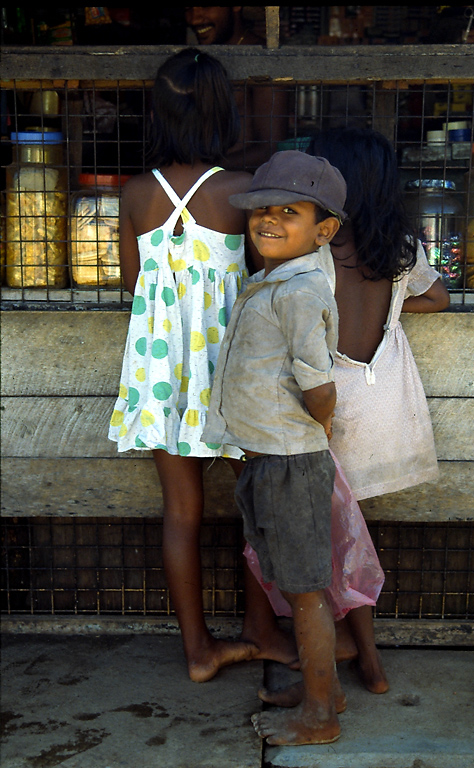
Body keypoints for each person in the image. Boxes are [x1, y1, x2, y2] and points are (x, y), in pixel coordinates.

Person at [108, 47, 295, 684]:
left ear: (156, 114)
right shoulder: (243, 193)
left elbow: (133, 287)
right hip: (234, 366)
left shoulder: (135, 196)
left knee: (181, 513)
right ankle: (260, 630)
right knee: (256, 506)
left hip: (163, 372)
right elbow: (270, 275)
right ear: (223, 111)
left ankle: (198, 651)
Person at [257, 127, 451, 710]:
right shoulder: (400, 246)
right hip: (380, 402)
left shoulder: (313, 251)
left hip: (326, 410)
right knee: (351, 538)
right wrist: (393, 304)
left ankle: (351, 661)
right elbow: (437, 299)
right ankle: (359, 656)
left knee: (327, 547)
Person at [202, 150, 348, 746]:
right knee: (295, 582)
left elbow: (317, 381)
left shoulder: (299, 288)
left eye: (289, 211)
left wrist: (323, 425)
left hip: (291, 461)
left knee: (305, 588)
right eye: (261, 210)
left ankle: (320, 717)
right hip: (270, 457)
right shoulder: (272, 279)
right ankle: (325, 690)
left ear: (325, 229)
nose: (268, 221)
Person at [185, 6, 289, 170]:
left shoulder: (263, 59)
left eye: (205, 7)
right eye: (188, 9)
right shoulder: (198, 60)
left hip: (247, 188)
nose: (194, 19)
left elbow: (270, 148)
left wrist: (200, 172)